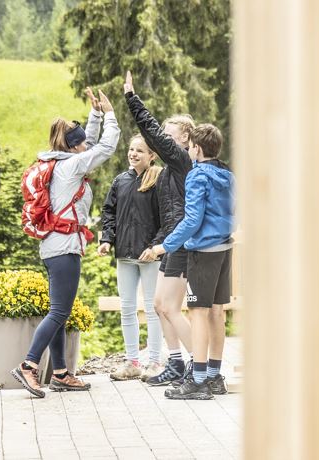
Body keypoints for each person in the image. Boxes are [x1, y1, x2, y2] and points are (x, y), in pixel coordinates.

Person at [11, 88, 120, 398]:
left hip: (53, 246)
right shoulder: (72, 166)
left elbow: (91, 143)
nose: (87, 146)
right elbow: (105, 147)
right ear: (75, 147)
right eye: (83, 142)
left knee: (59, 310)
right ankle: (29, 365)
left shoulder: (62, 163)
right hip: (64, 249)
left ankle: (60, 373)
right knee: (59, 311)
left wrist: (95, 114)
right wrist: (110, 114)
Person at [123, 71, 197, 386]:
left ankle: (201, 365)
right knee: (158, 304)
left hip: (182, 243)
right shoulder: (168, 169)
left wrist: (131, 97)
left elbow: (152, 134)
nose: (162, 137)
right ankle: (177, 364)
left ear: (185, 139)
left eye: (169, 133)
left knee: (169, 306)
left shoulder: (180, 161)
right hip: (170, 242)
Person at [150, 123, 234, 400]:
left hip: (203, 253)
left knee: (198, 312)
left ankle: (197, 380)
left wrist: (165, 246)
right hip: (224, 248)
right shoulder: (227, 174)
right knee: (217, 312)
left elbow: (192, 220)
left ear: (196, 148)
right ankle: (214, 376)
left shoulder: (197, 176)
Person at [97, 134, 164, 380]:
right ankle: (133, 361)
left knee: (152, 308)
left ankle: (155, 361)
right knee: (127, 307)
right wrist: (107, 239)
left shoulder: (159, 180)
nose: (133, 153)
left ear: (152, 156)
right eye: (131, 149)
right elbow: (109, 212)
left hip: (150, 255)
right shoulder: (120, 181)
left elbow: (167, 219)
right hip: (124, 254)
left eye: (140, 151)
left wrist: (156, 246)